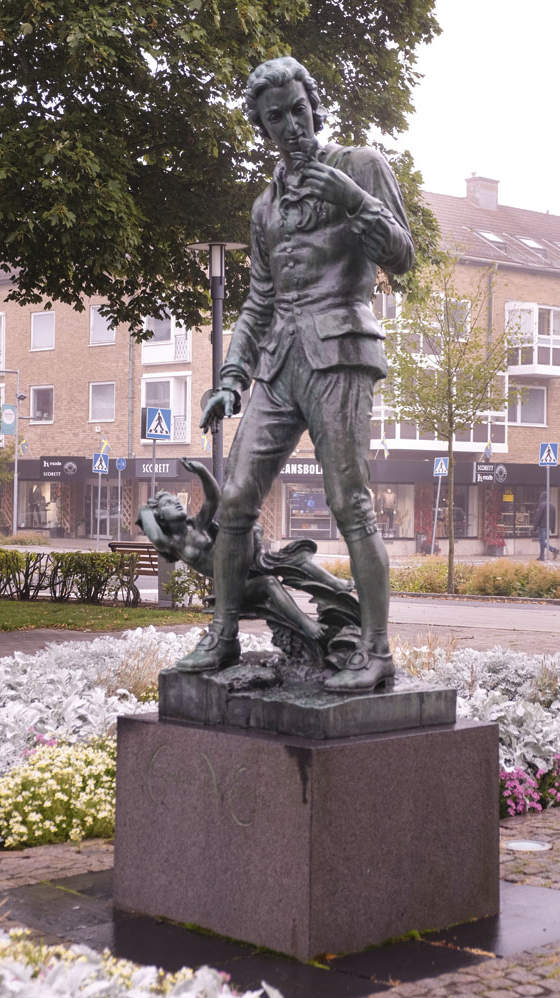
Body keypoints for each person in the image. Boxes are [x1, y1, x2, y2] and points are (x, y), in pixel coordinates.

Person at [177, 56, 414, 692]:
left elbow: (403, 254)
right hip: (279, 367)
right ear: (261, 125)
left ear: (314, 104)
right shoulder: (264, 206)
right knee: (233, 500)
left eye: (298, 110)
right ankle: (223, 636)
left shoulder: (361, 165)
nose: (290, 125)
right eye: (274, 117)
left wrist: (351, 198)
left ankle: (376, 651)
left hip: (340, 352)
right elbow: (258, 299)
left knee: (350, 504)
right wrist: (231, 375)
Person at [138, 458, 352, 644]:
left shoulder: (198, 525)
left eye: (176, 500)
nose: (176, 503)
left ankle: (336, 585)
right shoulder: (172, 543)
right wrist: (145, 511)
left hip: (247, 562)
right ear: (159, 516)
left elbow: (213, 498)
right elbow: (155, 536)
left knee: (293, 557)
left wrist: (202, 471)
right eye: (168, 503)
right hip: (233, 586)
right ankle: (307, 624)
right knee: (269, 583)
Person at [532, 491, 558, 561]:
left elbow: (538, 516)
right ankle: (541, 556)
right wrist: (553, 529)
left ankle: (554, 550)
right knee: (543, 541)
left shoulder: (542, 505)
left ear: (542, 497)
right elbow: (554, 517)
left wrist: (535, 527)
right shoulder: (552, 505)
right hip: (548, 527)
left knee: (542, 541)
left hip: (542, 526)